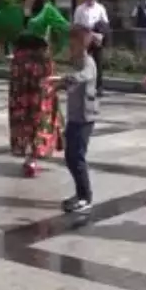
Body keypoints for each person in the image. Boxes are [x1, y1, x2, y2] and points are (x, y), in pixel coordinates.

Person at [0, 0, 71, 177]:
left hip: (41, 64)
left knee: (39, 108)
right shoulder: (14, 10)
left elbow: (64, 27)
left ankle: (33, 155)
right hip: (20, 64)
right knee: (21, 107)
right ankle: (25, 148)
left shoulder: (47, 10)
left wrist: (69, 41)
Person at [50, 25, 99, 213]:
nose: (69, 46)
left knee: (76, 157)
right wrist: (58, 86)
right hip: (75, 116)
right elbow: (73, 84)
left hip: (85, 117)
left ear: (81, 43)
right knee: (71, 157)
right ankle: (80, 193)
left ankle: (86, 197)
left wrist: (62, 79)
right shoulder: (78, 61)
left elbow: (82, 77)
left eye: (72, 42)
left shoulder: (88, 62)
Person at [73, 0, 111, 95]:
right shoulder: (80, 9)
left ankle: (99, 87)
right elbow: (76, 25)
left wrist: (101, 35)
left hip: (97, 39)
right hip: (85, 38)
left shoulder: (100, 8)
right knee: (84, 63)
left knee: (98, 63)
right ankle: (83, 85)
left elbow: (105, 24)